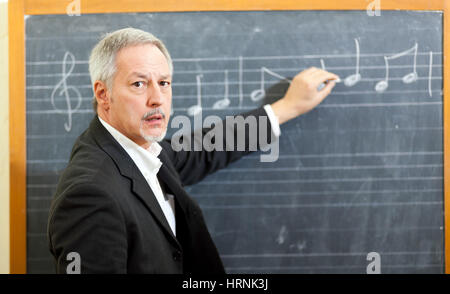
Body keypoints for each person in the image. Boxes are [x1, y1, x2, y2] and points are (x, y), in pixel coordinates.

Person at [47, 28, 339, 274]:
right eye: (139, 84)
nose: (157, 99)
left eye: (164, 83)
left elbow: (204, 148)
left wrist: (287, 108)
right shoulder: (89, 194)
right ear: (103, 94)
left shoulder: (139, 151)